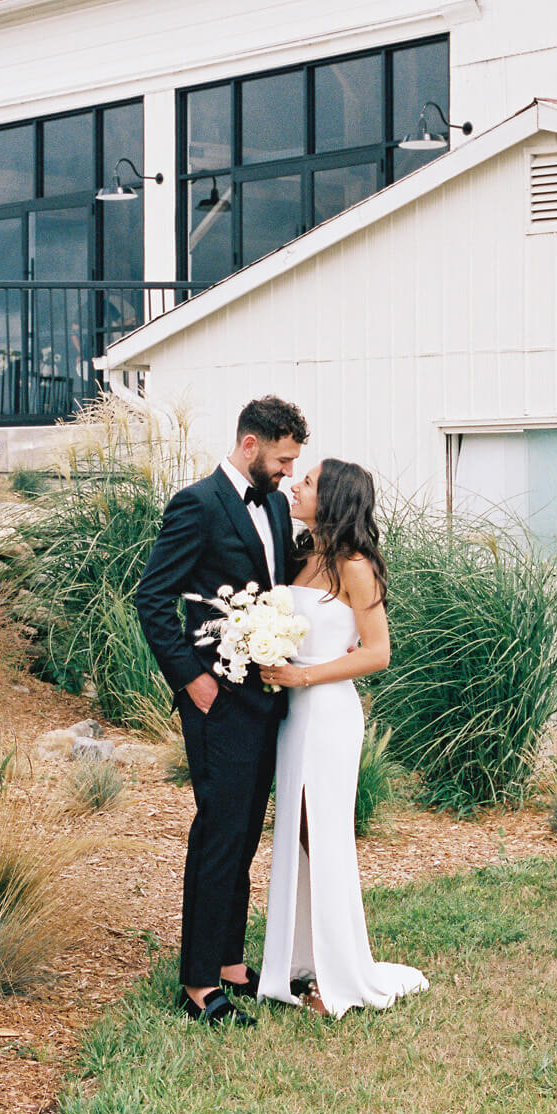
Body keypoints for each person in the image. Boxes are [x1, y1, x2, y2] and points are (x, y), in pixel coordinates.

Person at [135, 395, 309, 1026]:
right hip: (217, 701)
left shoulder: (277, 504)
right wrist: (193, 684)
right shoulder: (197, 505)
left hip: (265, 698)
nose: (288, 472)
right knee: (218, 833)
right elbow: (152, 599)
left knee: (242, 837)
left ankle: (232, 962)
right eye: (283, 459)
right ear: (250, 446)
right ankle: (199, 983)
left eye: (294, 463)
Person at [257, 458, 429, 1018]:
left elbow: (378, 653)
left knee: (324, 836)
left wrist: (304, 674)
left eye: (307, 482)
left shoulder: (357, 565)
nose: (295, 485)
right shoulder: (304, 555)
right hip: (292, 713)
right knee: (299, 835)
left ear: (331, 497)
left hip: (328, 713)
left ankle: (339, 980)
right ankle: (301, 959)